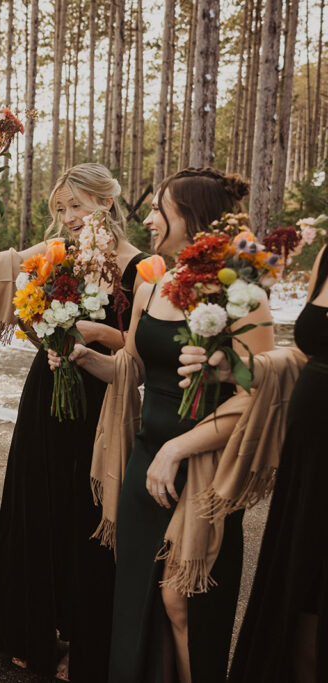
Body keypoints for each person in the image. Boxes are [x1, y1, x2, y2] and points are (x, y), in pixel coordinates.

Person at [55, 168, 275, 682]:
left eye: (161, 209)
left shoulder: (241, 296)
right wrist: (83, 356)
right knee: (134, 595)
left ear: (193, 219)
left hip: (202, 469)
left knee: (182, 604)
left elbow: (252, 399)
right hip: (143, 461)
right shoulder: (154, 285)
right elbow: (128, 368)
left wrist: (177, 451)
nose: (149, 219)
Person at [0, 163, 144, 680]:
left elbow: (138, 346)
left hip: (102, 399)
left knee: (87, 514)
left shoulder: (139, 267)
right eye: (60, 209)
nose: (67, 217)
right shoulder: (57, 253)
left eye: (76, 206)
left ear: (105, 204)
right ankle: (35, 630)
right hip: (48, 390)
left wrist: (89, 332)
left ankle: (88, 639)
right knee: (40, 507)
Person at [197, 244, 327, 683]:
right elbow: (305, 355)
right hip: (309, 457)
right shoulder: (326, 257)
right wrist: (245, 370)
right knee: (302, 593)